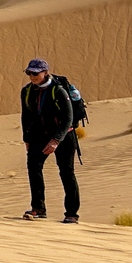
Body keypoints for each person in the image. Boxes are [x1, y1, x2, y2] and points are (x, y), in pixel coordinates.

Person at [21, 58, 80, 223]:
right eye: (29, 73)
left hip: (64, 136)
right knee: (34, 167)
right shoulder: (26, 91)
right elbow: (26, 116)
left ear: (45, 72)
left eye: (35, 73)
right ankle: (38, 209)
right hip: (39, 136)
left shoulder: (58, 90)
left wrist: (56, 140)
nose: (32, 76)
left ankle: (71, 214)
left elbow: (68, 118)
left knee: (66, 173)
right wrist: (27, 138)